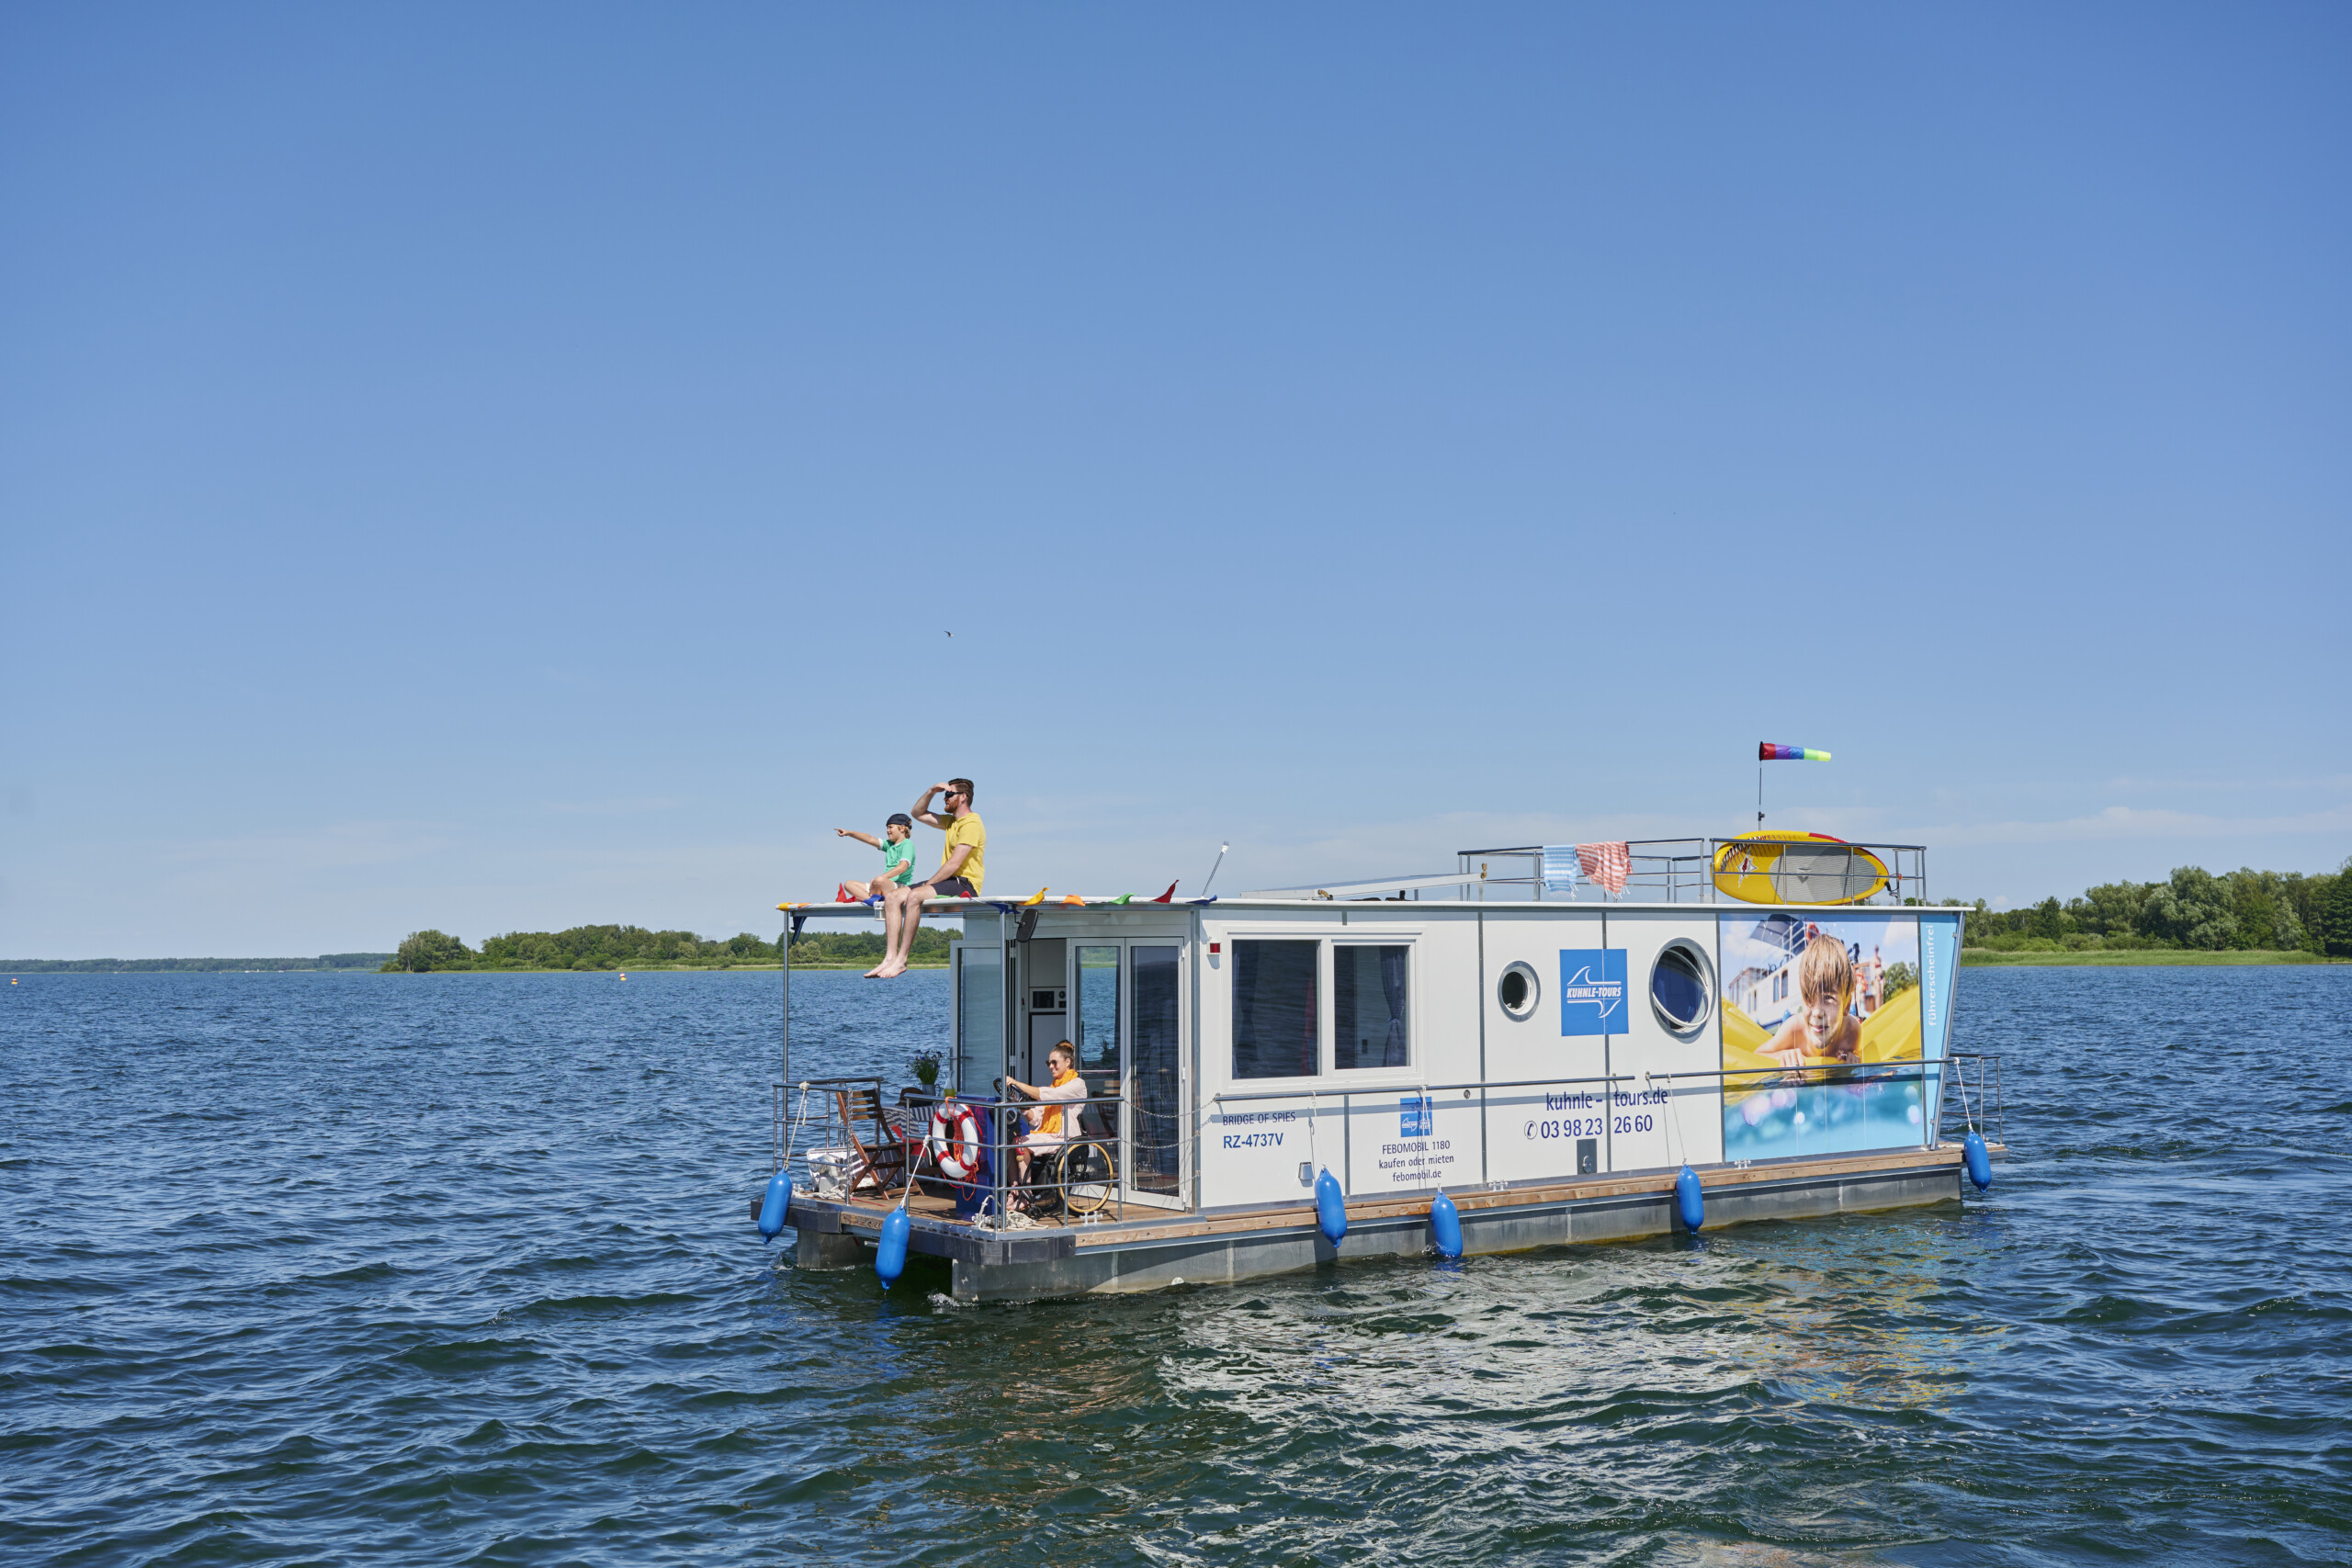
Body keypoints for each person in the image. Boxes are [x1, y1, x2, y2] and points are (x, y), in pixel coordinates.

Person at [869, 778, 986, 979]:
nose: (945, 799)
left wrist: (928, 885)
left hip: (964, 883)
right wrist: (932, 790)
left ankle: (901, 960)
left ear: (963, 797)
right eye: (944, 795)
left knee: (914, 896)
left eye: (949, 795)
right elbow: (917, 814)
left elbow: (954, 864)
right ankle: (889, 957)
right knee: (893, 897)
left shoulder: (972, 823)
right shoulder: (951, 822)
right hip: (947, 881)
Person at [1759, 933, 1863, 1070]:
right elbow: (1758, 1055)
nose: (1817, 1012)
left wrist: (1850, 1055)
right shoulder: (1794, 1030)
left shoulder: (1852, 1031)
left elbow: (1852, 1056)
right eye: (1808, 996)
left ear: (1847, 1005)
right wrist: (1783, 1055)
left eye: (1828, 998)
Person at [1005, 1042, 1089, 1195]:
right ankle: (1015, 1189)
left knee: (1020, 1144)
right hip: (1049, 1135)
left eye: (1054, 1062)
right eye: (1048, 1063)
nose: (1051, 1066)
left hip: (1066, 1137)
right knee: (1009, 1144)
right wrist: (1021, 1106)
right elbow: (1036, 1119)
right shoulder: (1053, 1087)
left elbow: (1050, 1096)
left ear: (1067, 1062)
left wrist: (1017, 1083)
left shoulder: (1077, 1085)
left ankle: (1026, 1192)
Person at [834, 813, 919, 902]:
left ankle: (864, 898)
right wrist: (850, 833)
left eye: (890, 827)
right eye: (887, 828)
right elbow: (870, 839)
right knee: (849, 884)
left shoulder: (907, 844)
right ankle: (872, 901)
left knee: (878, 881)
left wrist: (880, 879)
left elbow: (903, 867)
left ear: (902, 828)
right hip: (883, 885)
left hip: (900, 887)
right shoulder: (889, 845)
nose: (887, 830)